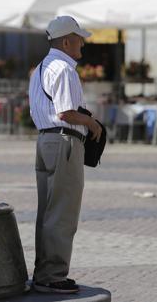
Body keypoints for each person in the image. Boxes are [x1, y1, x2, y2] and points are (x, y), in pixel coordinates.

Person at [28, 16, 103, 294]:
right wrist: (92, 124)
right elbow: (66, 112)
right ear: (67, 41)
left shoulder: (40, 68)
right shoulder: (64, 69)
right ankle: (53, 275)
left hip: (46, 141)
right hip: (64, 142)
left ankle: (44, 272)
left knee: (47, 210)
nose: (82, 43)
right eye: (79, 38)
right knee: (63, 211)